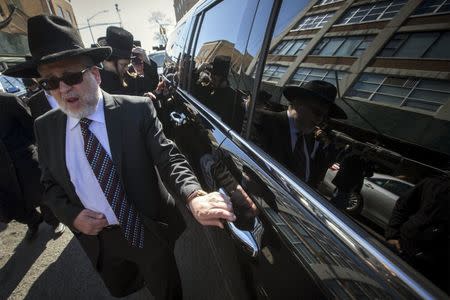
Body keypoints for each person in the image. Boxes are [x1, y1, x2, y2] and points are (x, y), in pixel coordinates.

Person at [6, 15, 236, 299]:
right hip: (100, 239)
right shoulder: (45, 126)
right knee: (123, 287)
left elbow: (168, 158)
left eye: (71, 76)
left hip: (147, 227)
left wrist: (194, 195)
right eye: (50, 83)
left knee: (165, 287)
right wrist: (73, 216)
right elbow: (49, 185)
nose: (63, 89)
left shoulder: (136, 111)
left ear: (96, 74)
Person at [255, 80, 347, 188]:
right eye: (317, 113)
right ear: (297, 102)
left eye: (325, 117)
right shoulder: (262, 121)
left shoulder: (311, 139)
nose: (320, 120)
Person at [0, 92, 61, 239]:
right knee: (13, 205)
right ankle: (33, 220)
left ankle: (54, 221)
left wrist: (31, 150)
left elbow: (31, 126)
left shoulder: (8, 101)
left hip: (25, 160)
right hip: (2, 171)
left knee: (43, 193)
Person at [385, 173, 449, 293]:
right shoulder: (433, 183)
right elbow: (403, 205)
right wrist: (392, 234)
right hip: (405, 251)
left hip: (436, 270)